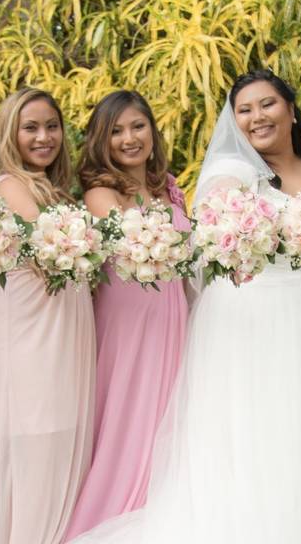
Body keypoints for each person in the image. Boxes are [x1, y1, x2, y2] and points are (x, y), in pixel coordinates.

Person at [70, 71, 301, 544]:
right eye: (243, 110)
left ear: (291, 110)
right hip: (252, 317)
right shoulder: (231, 174)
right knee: (258, 438)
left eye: (267, 104)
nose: (256, 117)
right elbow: (214, 226)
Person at [63, 91, 190, 540]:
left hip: (172, 313)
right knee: (127, 409)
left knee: (169, 412)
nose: (129, 138)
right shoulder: (101, 192)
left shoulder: (168, 186)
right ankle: (113, 510)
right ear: (102, 141)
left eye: (138, 126)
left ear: (152, 131)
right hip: (128, 316)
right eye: (116, 131)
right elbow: (130, 241)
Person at [0, 89, 96, 544]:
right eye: (30, 127)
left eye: (52, 126)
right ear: (11, 132)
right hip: (32, 334)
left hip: (66, 327)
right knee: (36, 437)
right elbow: (50, 244)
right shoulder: (9, 185)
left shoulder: (57, 190)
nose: (44, 136)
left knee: (65, 435)